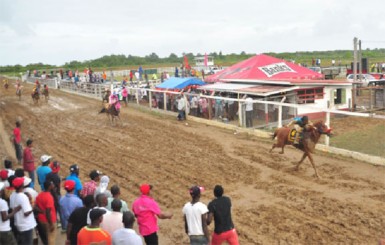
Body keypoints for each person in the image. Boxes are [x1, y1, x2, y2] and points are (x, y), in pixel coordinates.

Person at [10, 177, 37, 245]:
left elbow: (12, 208)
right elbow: (26, 213)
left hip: (18, 223)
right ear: (21, 185)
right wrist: (33, 207)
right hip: (26, 225)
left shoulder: (12, 195)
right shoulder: (23, 196)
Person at [35, 181, 57, 245]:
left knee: (45, 236)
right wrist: (51, 224)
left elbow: (35, 206)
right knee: (51, 238)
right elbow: (48, 212)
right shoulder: (49, 197)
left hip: (41, 219)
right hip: (49, 220)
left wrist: (41, 211)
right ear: (49, 187)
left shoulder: (40, 194)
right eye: (52, 184)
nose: (53, 185)